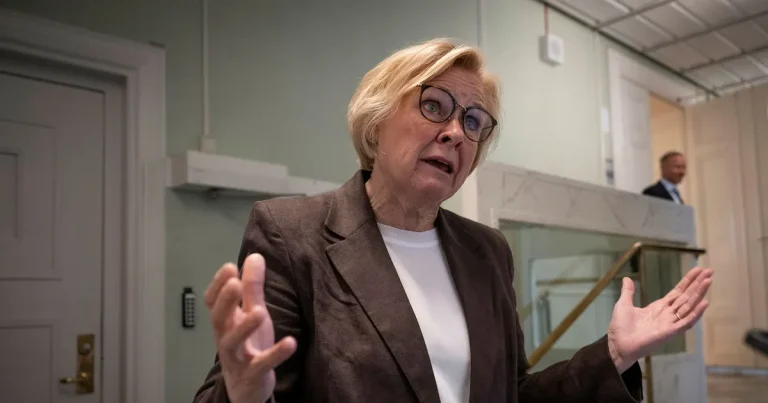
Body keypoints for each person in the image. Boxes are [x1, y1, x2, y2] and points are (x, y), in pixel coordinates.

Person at [193, 39, 713, 403]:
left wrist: (613, 353)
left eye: (473, 121)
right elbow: (247, 381)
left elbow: (514, 394)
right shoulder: (291, 232)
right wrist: (243, 394)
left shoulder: (487, 251)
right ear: (376, 122)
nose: (456, 133)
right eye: (434, 105)